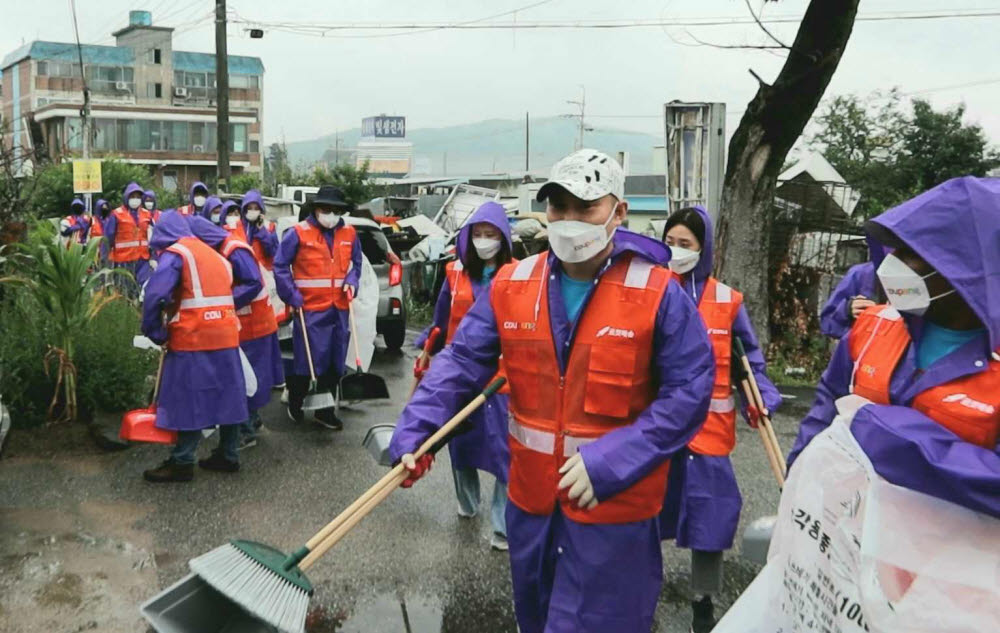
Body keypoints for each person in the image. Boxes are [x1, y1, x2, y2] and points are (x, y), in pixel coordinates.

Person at [389, 149, 716, 633]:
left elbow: (690, 390)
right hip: (532, 504)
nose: (570, 221)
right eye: (560, 207)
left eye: (586, 208)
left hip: (614, 514)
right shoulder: (512, 283)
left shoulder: (657, 291)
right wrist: (417, 428)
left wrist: (613, 460)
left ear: (618, 212)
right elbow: (460, 361)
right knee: (537, 621)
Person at [788, 177, 1000, 496]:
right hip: (846, 531)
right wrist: (798, 479)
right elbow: (825, 410)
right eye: (896, 247)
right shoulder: (874, 326)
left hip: (942, 542)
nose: (892, 263)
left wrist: (898, 438)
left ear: (966, 266)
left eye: (912, 251)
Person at [657, 206, 782, 632]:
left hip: (708, 436)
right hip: (655, 432)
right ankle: (639, 589)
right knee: (645, 514)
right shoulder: (650, 289)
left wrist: (760, 395)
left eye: (685, 245)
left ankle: (703, 600)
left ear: (703, 249)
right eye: (669, 242)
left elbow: (751, 360)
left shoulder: (726, 301)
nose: (675, 251)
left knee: (710, 518)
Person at [415, 200, 514, 551]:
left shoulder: (517, 274)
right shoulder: (455, 272)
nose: (484, 241)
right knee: (460, 442)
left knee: (504, 449)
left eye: (492, 235)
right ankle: (467, 504)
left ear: (504, 239)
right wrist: (429, 348)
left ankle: (503, 525)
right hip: (461, 371)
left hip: (502, 377)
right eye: (479, 234)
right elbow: (441, 318)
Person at [140, 211, 250, 482]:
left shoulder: (177, 254)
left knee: (188, 398)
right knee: (229, 395)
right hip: (226, 334)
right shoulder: (216, 256)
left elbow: (155, 295)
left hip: (194, 336)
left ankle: (182, 462)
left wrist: (155, 331)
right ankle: (228, 455)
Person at [274, 185, 362, 430]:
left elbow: (356, 264)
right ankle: (296, 398)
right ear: (316, 209)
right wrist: (291, 295)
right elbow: (280, 266)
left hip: (340, 307)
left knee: (335, 361)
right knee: (310, 359)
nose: (331, 214)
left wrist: (352, 282)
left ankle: (325, 410)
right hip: (310, 308)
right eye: (326, 209)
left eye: (336, 210)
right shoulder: (298, 233)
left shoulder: (350, 234)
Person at [191, 214, 282, 450]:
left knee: (245, 379)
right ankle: (252, 422)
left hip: (253, 324)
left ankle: (246, 430)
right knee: (248, 377)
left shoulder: (233, 249)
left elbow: (253, 283)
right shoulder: (227, 247)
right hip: (249, 322)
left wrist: (224, 302)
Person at [818, 236, 886, 339]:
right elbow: (828, 322)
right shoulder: (861, 274)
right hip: (863, 350)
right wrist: (847, 310)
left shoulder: (917, 280)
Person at [105, 182, 152, 296]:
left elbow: (152, 236)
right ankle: (126, 310)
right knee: (124, 290)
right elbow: (108, 237)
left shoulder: (147, 214)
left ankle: (140, 310)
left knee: (143, 288)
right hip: (123, 259)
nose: (135, 200)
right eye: (132, 197)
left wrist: (154, 256)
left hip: (143, 258)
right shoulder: (116, 214)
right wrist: (105, 257)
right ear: (126, 197)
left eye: (138, 197)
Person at [241, 189, 278, 271]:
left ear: (261, 210)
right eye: (250, 208)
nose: (253, 211)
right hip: (244, 273)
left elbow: (273, 252)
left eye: (256, 208)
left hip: (264, 274)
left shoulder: (269, 227)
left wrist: (262, 231)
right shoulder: (239, 226)